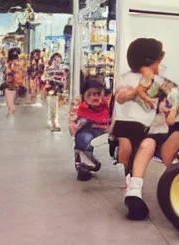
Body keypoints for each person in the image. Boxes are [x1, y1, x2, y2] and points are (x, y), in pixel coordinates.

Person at [112, 38, 164, 221]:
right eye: (160, 58)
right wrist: (135, 92)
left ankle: (135, 189)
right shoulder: (127, 77)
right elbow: (120, 97)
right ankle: (130, 176)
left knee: (147, 146)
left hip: (147, 127)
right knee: (126, 147)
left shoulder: (159, 81)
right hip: (126, 123)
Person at [70, 78, 110, 172]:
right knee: (82, 138)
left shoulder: (108, 102)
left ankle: (86, 163)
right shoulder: (79, 104)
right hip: (88, 128)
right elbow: (72, 122)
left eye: (98, 94)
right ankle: (85, 165)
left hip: (107, 128)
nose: (95, 97)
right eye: (91, 94)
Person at [43, 52, 68, 132]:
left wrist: (64, 89)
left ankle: (54, 122)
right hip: (51, 91)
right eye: (56, 59)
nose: (57, 61)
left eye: (59, 59)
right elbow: (44, 78)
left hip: (59, 92)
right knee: (52, 107)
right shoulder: (49, 69)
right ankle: (53, 123)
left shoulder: (61, 70)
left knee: (57, 108)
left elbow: (64, 80)